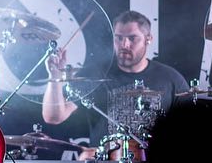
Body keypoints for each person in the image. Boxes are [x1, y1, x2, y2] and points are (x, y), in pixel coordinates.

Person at [42, 10, 189, 149]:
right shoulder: (94, 75)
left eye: (132, 38)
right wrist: (54, 76)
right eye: (119, 38)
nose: (124, 44)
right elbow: (53, 117)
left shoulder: (171, 79)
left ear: (148, 39)